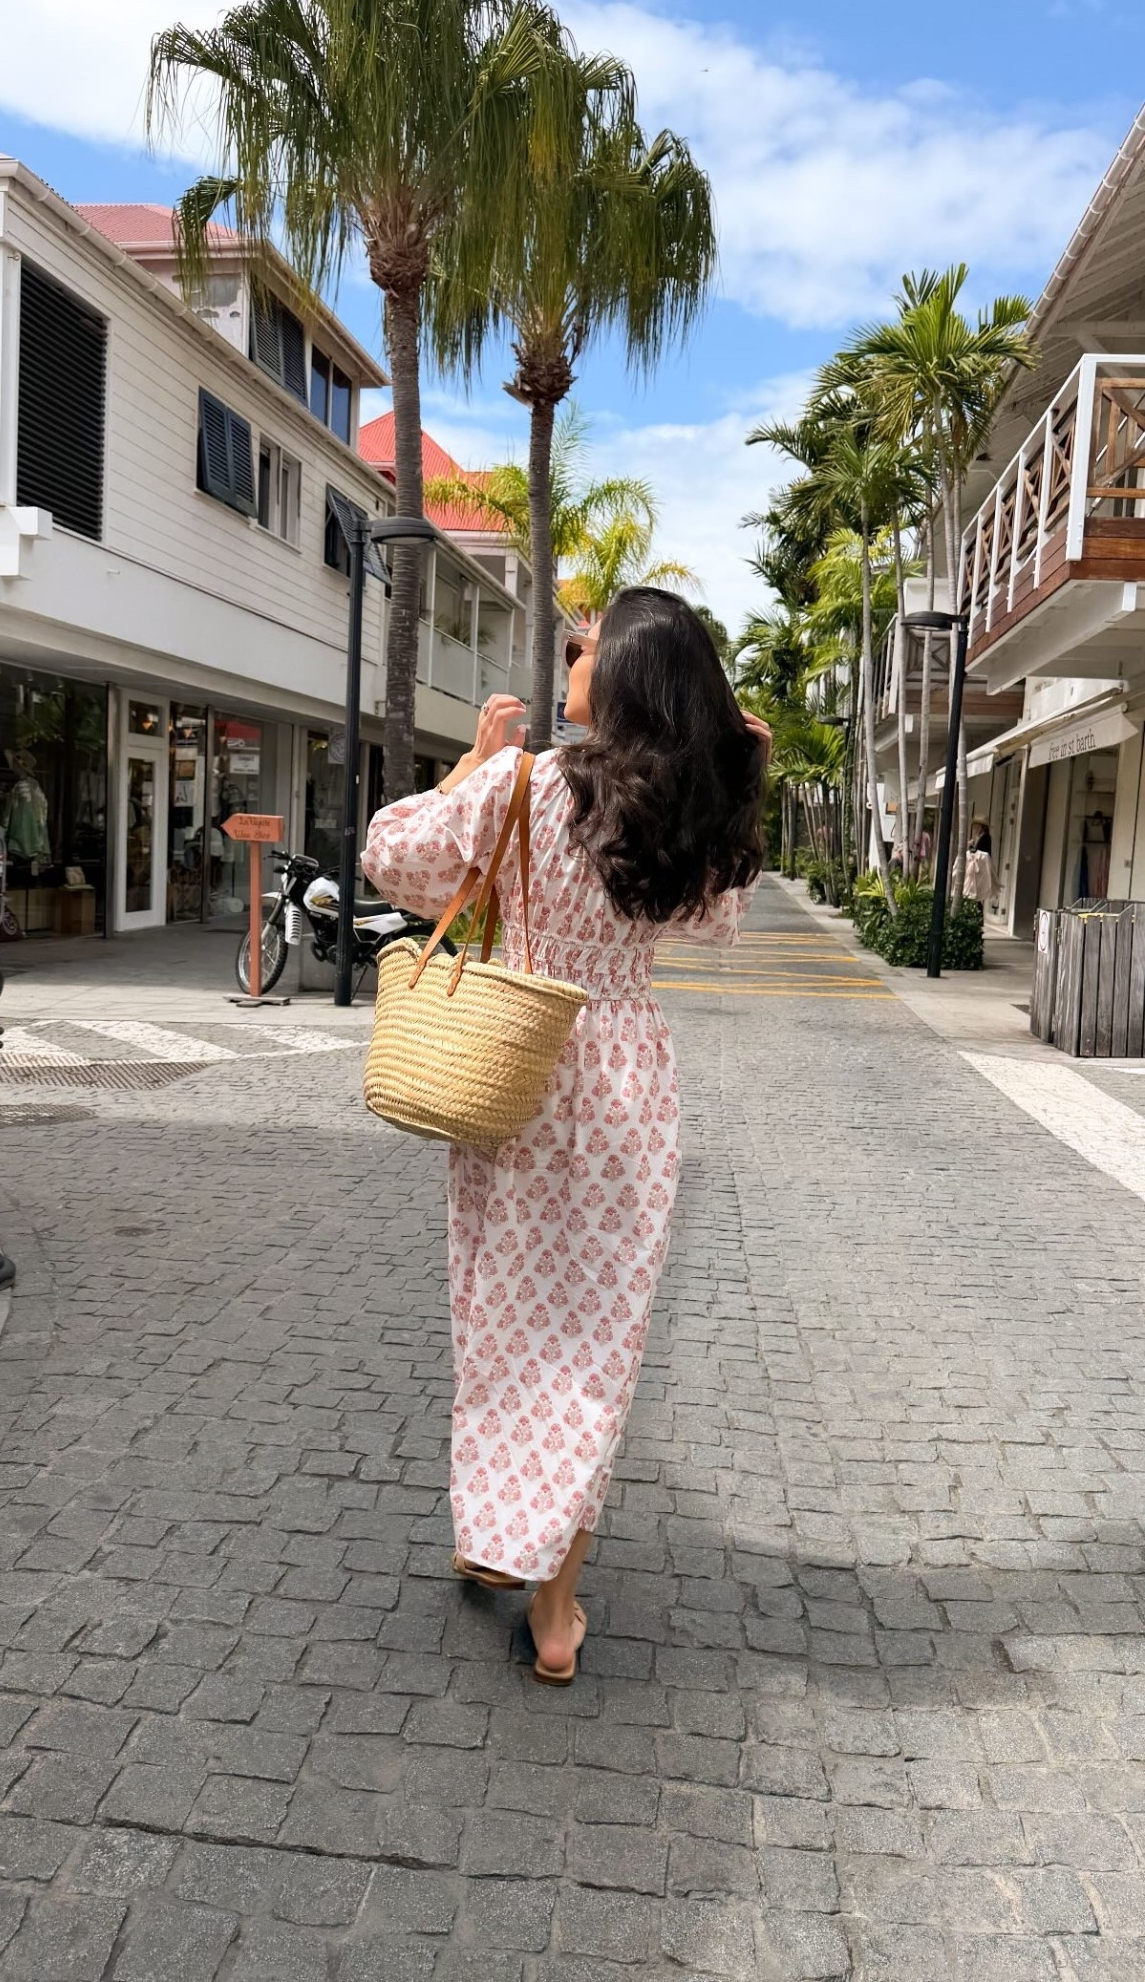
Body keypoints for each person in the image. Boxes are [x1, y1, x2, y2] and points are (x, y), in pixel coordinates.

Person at [362, 589, 768, 1684]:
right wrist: (737, 775)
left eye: (585, 648)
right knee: (598, 1342)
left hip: (522, 1064)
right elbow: (720, 919)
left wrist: (468, 766)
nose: (571, 661)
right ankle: (552, 1609)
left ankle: (501, 1530)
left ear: (622, 674)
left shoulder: (526, 783)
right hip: (628, 1082)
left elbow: (391, 858)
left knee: (503, 1317)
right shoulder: (680, 807)